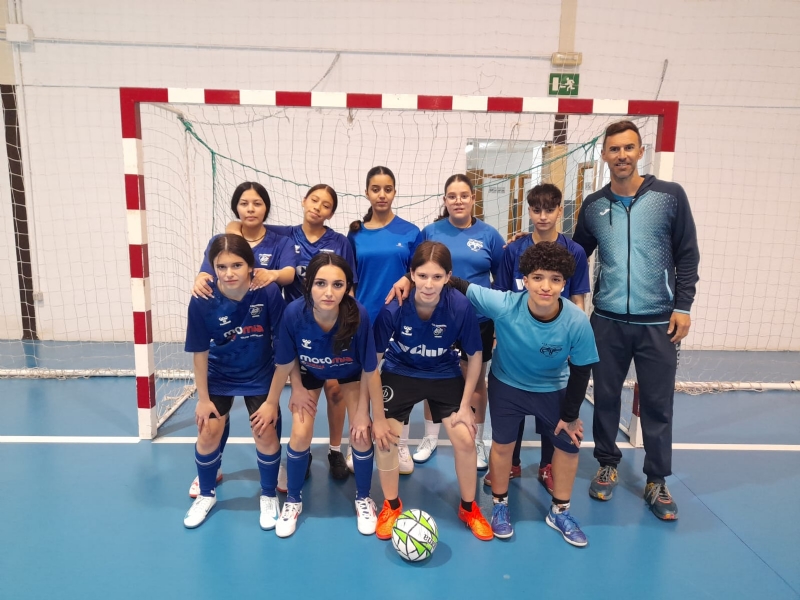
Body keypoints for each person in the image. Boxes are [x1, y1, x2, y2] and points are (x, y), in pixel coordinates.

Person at [572, 120, 699, 521]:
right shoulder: (593, 205)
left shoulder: (669, 196)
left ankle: (657, 479)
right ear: (605, 155)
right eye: (614, 149)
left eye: (629, 148)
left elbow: (687, 255)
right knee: (606, 398)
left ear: (640, 151)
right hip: (606, 321)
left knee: (659, 403)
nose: (622, 155)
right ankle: (607, 463)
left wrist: (683, 306)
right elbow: (575, 256)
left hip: (658, 322)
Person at [448, 242, 598, 545]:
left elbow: (582, 370)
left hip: (554, 388)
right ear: (525, 280)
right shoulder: (504, 304)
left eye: (556, 279)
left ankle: (560, 511)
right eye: (538, 277)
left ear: (564, 284)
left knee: (569, 444)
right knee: (503, 446)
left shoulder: (576, 321)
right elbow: (459, 284)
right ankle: (500, 505)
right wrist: (409, 278)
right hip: (508, 386)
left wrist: (570, 417)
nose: (546, 286)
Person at [229, 184, 355, 482]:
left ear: (331, 212)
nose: (317, 207)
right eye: (314, 200)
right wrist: (232, 227)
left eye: (326, 205)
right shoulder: (286, 235)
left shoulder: (340, 242)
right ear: (303, 201)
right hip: (297, 327)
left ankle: (335, 450)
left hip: (332, 325)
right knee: (302, 394)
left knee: (335, 390)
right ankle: (303, 450)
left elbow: (349, 285)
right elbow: (243, 223)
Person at [253, 253, 381, 538]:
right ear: (307, 284)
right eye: (321, 283)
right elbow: (286, 360)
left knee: (361, 432)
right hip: (308, 371)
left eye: (338, 285)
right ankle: (294, 501)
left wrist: (368, 415)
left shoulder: (358, 314)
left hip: (349, 373)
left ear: (347, 287)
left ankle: (363, 498)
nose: (329, 292)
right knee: (300, 433)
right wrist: (277, 399)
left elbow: (370, 370)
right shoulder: (294, 313)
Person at [372, 241, 492, 541]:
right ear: (411, 274)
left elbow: (475, 357)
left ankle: (468, 507)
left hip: (443, 373)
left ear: (448, 276)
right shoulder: (393, 308)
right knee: (386, 439)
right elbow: (371, 364)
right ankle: (391, 504)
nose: (428, 284)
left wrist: (465, 406)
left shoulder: (460, 306)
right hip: (400, 371)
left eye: (437, 277)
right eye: (422, 275)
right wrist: (375, 413)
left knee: (465, 439)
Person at [387, 174, 505, 470]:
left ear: (473, 198)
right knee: (434, 373)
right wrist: (403, 280)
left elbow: (502, 284)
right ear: (445, 200)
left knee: (476, 380)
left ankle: (476, 440)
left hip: (475, 319)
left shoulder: (490, 235)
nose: (458, 201)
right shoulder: (431, 231)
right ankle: (430, 437)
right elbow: (413, 267)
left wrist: (500, 326)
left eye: (464, 195)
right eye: (452, 196)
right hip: (434, 317)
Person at [187, 182, 296, 498]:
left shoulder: (277, 253)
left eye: (257, 203)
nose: (251, 208)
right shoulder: (215, 266)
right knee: (210, 427)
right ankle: (212, 469)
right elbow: (209, 273)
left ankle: (272, 473)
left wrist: (271, 275)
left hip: (260, 360)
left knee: (265, 427)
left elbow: (288, 273)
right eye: (244, 203)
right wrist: (200, 275)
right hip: (222, 368)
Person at [484, 183, 590, 494]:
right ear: (528, 212)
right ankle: (511, 461)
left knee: (552, 406)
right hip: (516, 344)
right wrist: (497, 338)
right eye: (536, 209)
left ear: (560, 211)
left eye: (549, 209)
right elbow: (501, 297)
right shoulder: (514, 251)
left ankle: (547, 465)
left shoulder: (575, 252)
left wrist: (574, 341)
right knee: (510, 402)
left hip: (555, 344)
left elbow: (579, 298)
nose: (542, 216)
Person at [183, 234, 286, 529]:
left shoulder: (268, 293)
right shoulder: (202, 299)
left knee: (266, 434)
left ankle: (268, 496)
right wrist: (203, 400)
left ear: (251, 265)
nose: (229, 273)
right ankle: (206, 494)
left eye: (237, 265)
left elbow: (284, 351)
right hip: (219, 375)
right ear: (212, 268)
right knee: (208, 431)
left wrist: (271, 401)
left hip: (259, 373)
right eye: (222, 266)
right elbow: (200, 354)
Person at [348, 166, 420, 475]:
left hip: (401, 319)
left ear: (394, 192)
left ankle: (400, 443)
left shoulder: (410, 232)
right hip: (364, 318)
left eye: (387, 188)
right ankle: (361, 442)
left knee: (398, 382)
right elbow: (348, 281)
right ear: (366, 192)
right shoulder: (355, 234)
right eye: (376, 189)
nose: (382, 194)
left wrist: (406, 277)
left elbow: (420, 273)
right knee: (364, 382)